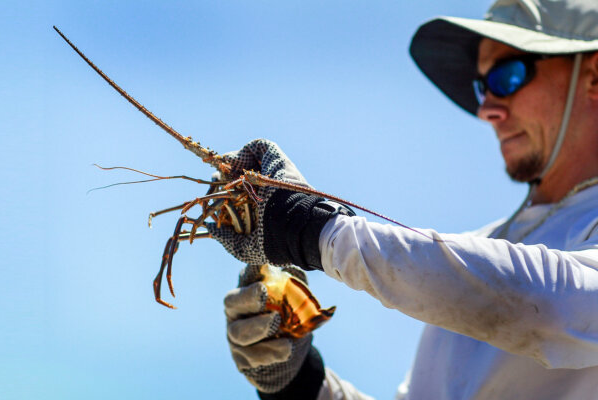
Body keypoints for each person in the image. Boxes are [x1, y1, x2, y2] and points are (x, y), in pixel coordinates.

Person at [209, 0, 598, 398]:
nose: (487, 109)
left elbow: (555, 308)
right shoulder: (488, 248)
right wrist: (299, 383)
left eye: (508, 75)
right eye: (482, 87)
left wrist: (319, 231)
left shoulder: (504, 267)